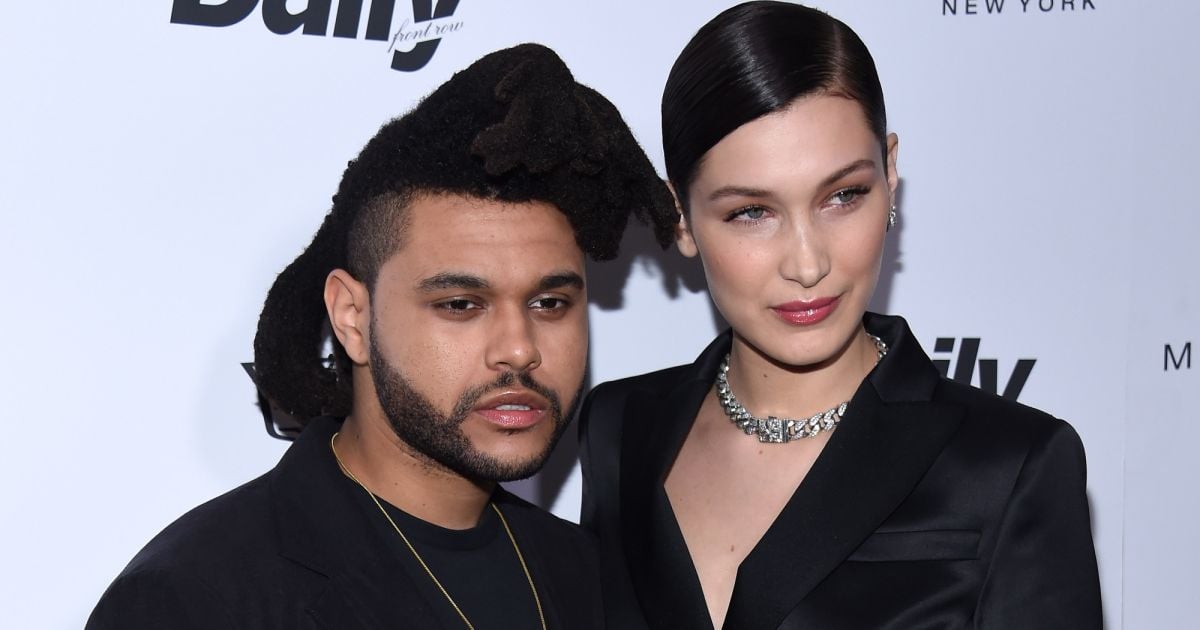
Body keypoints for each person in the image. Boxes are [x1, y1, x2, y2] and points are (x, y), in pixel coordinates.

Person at [86, 43, 676, 629]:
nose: (519, 348)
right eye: (460, 304)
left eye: (549, 302)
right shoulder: (198, 599)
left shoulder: (587, 575)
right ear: (352, 319)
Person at [578, 3, 1103, 629]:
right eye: (751, 211)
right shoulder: (618, 430)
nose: (807, 263)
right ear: (682, 219)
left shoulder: (1011, 466)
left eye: (842, 196)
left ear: (891, 175)